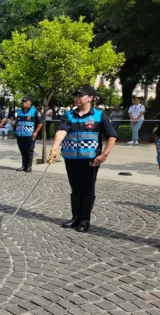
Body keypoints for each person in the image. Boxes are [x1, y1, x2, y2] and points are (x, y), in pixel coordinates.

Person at [49, 86, 117, 233]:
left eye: (81, 95)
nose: (77, 98)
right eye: (76, 95)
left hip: (91, 160)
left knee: (87, 190)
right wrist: (55, 147)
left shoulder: (99, 115)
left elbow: (112, 135)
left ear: (90, 98)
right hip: (71, 158)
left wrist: (104, 154)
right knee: (75, 189)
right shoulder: (68, 115)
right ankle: (75, 217)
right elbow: (61, 131)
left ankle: (84, 220)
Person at [14, 96, 43, 172]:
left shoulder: (34, 111)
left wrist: (36, 132)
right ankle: (24, 166)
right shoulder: (19, 111)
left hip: (30, 135)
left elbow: (40, 123)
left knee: (29, 151)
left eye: (25, 102)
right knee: (22, 151)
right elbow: (17, 121)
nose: (23, 103)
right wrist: (14, 124)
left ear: (30, 103)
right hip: (20, 135)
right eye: (23, 102)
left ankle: (29, 166)